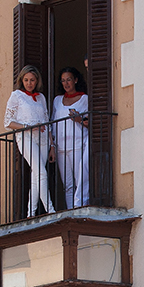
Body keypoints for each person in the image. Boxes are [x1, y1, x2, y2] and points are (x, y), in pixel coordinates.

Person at [5, 65, 53, 218]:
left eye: (32, 80)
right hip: (26, 138)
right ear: (21, 80)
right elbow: (8, 122)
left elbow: (46, 121)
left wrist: (52, 145)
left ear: (37, 81)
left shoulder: (41, 97)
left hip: (43, 139)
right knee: (41, 172)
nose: (29, 83)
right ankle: (50, 210)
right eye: (26, 80)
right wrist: (28, 127)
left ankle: (30, 212)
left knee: (36, 175)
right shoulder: (16, 96)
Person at [51, 66, 90, 209]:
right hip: (61, 147)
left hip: (78, 144)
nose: (66, 83)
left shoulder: (84, 99)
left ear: (75, 80)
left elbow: (90, 122)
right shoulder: (57, 100)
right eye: (63, 81)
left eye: (69, 80)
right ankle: (70, 210)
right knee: (67, 185)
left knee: (80, 180)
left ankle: (80, 207)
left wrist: (79, 119)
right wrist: (52, 146)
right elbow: (53, 124)